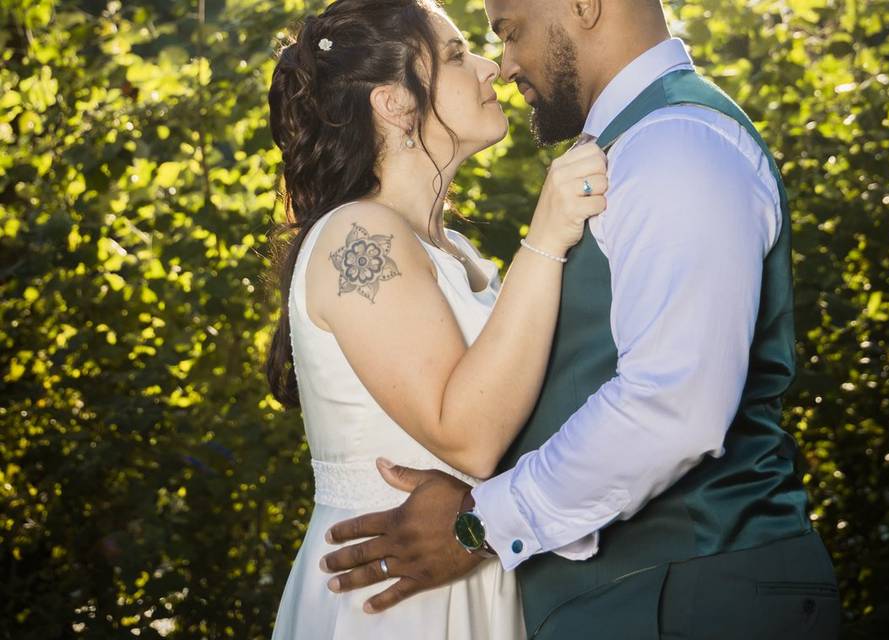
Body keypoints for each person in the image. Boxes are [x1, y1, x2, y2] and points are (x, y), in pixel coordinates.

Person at [319, 1, 842, 638]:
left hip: (690, 590)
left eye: (510, 33)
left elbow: (673, 404)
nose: (503, 66)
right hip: (618, 595)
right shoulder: (625, 149)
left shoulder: (675, 144)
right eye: (466, 51)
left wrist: (480, 524)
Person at [264, 0, 609, 637]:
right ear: (394, 102)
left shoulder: (457, 252)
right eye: (455, 55)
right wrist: (548, 234)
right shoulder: (356, 237)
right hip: (397, 601)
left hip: (471, 572)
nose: (491, 70)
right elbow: (470, 438)